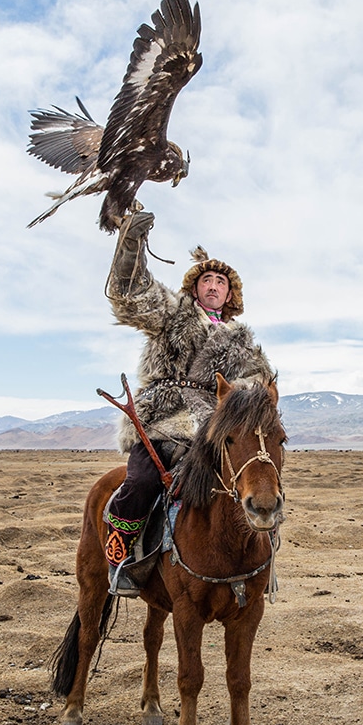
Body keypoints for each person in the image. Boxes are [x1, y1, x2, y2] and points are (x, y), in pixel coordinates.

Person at [103, 211, 275, 596]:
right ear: (194, 288)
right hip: (163, 421)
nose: (213, 286)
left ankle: (260, 564)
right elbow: (134, 295)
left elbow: (260, 385)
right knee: (142, 482)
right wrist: (131, 245)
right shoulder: (172, 315)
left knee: (257, 479)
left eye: (221, 282)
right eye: (206, 280)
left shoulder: (242, 343)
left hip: (212, 433)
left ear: (230, 295)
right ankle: (122, 560)